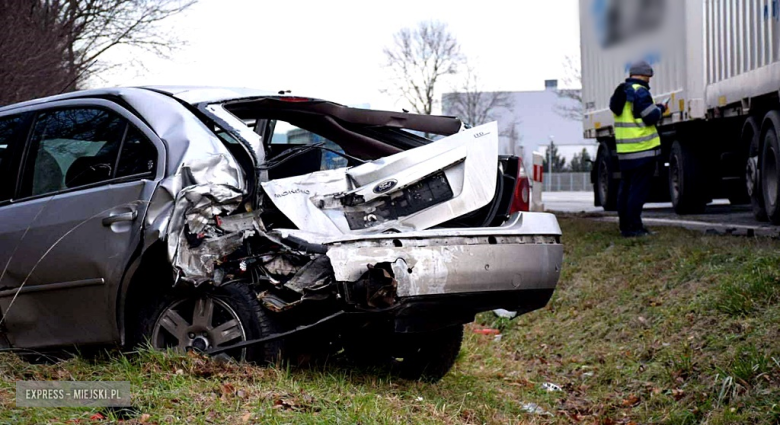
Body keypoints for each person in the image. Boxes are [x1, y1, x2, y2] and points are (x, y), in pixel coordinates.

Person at [609, 60, 667, 237]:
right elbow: (650, 116)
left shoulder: (620, 92)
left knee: (625, 190)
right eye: (649, 77)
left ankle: (625, 227)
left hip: (625, 151)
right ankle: (635, 228)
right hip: (643, 149)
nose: (649, 81)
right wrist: (661, 108)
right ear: (643, 75)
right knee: (637, 192)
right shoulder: (640, 91)